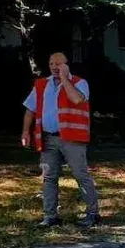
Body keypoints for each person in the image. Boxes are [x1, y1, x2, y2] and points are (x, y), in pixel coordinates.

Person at [21, 52, 100, 227]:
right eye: (51, 64)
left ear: (66, 65)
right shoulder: (41, 84)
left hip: (72, 138)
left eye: (59, 64)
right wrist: (25, 132)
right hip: (49, 138)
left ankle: (93, 213)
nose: (55, 67)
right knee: (49, 176)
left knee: (80, 174)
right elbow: (30, 110)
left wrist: (65, 78)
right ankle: (50, 216)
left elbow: (76, 99)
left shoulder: (80, 83)